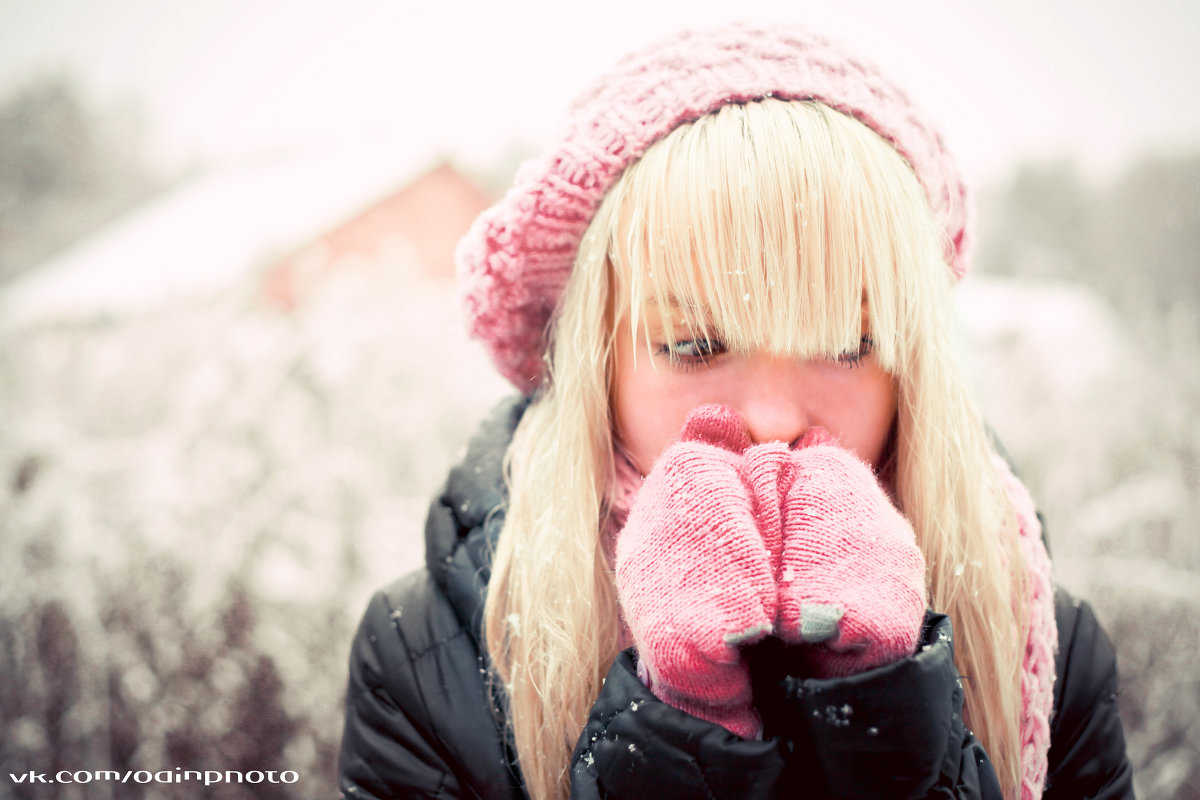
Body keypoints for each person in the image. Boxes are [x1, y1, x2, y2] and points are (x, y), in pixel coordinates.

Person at [337, 24, 1134, 800]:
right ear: (596, 363)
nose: (774, 418)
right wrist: (681, 732)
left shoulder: (1039, 640)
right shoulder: (423, 659)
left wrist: (887, 716)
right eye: (693, 343)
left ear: (912, 364)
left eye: (848, 342)